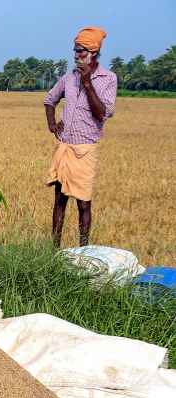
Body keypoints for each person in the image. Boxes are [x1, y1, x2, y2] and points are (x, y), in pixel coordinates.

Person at [44, 26, 117, 248]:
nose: (77, 56)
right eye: (75, 51)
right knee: (59, 201)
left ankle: (84, 251)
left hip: (86, 150)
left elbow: (102, 112)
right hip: (64, 147)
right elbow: (49, 100)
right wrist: (52, 123)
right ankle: (54, 250)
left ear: (94, 52)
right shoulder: (69, 77)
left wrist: (87, 83)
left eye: (81, 51)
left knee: (84, 204)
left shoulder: (108, 79)